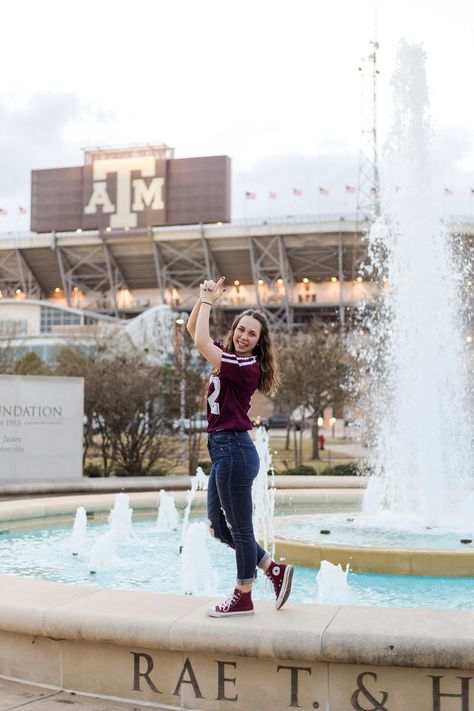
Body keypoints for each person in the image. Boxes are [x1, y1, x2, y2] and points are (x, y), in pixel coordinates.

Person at [186, 276, 293, 617]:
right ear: (234, 331)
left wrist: (206, 300)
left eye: (252, 334)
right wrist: (205, 301)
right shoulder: (227, 358)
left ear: (259, 343)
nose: (244, 337)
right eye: (241, 330)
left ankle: (243, 594)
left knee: (242, 529)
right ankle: (272, 569)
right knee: (219, 527)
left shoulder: (245, 366)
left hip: (234, 450)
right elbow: (194, 332)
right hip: (223, 452)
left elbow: (201, 341)